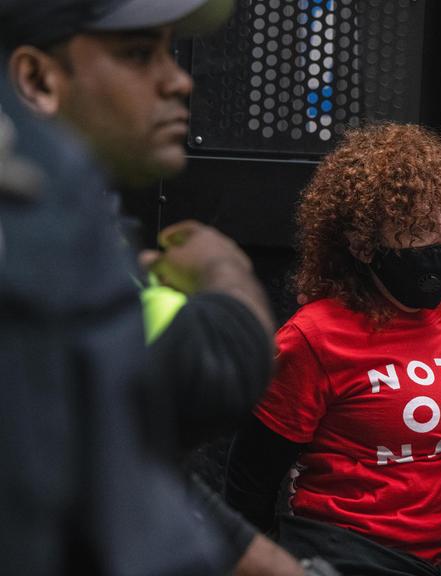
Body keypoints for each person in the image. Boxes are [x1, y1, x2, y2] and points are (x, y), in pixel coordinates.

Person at [0, 1, 307, 574]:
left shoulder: (84, 220)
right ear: (36, 79)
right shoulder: (29, 233)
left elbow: (126, 468)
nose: (178, 79)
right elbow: (208, 370)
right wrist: (226, 274)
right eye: (139, 54)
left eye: (169, 51)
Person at [225, 122, 441, 576]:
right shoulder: (314, 336)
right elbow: (251, 477)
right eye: (417, 228)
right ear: (363, 246)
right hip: (354, 556)